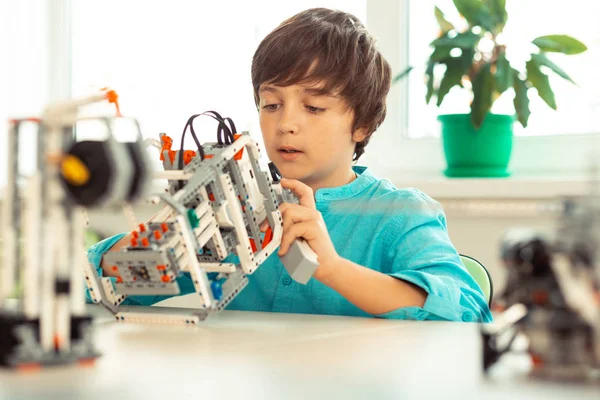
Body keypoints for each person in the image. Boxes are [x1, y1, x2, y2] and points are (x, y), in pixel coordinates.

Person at [87, 8, 492, 322]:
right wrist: (163, 238)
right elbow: (94, 288)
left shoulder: (400, 214)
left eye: (314, 107)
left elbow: (467, 315)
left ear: (362, 123)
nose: (286, 124)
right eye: (271, 104)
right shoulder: (234, 212)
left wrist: (332, 268)